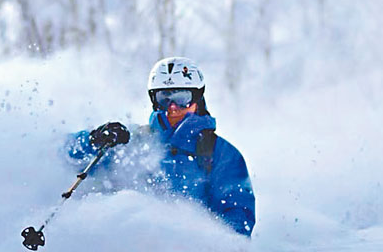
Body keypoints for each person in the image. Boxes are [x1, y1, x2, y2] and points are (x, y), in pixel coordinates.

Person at [66, 57, 255, 236]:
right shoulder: (132, 141)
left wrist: (221, 249)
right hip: (123, 248)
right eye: (164, 98)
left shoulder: (221, 153)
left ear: (197, 98)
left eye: (182, 98)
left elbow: (238, 213)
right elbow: (67, 158)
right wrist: (93, 140)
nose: (172, 107)